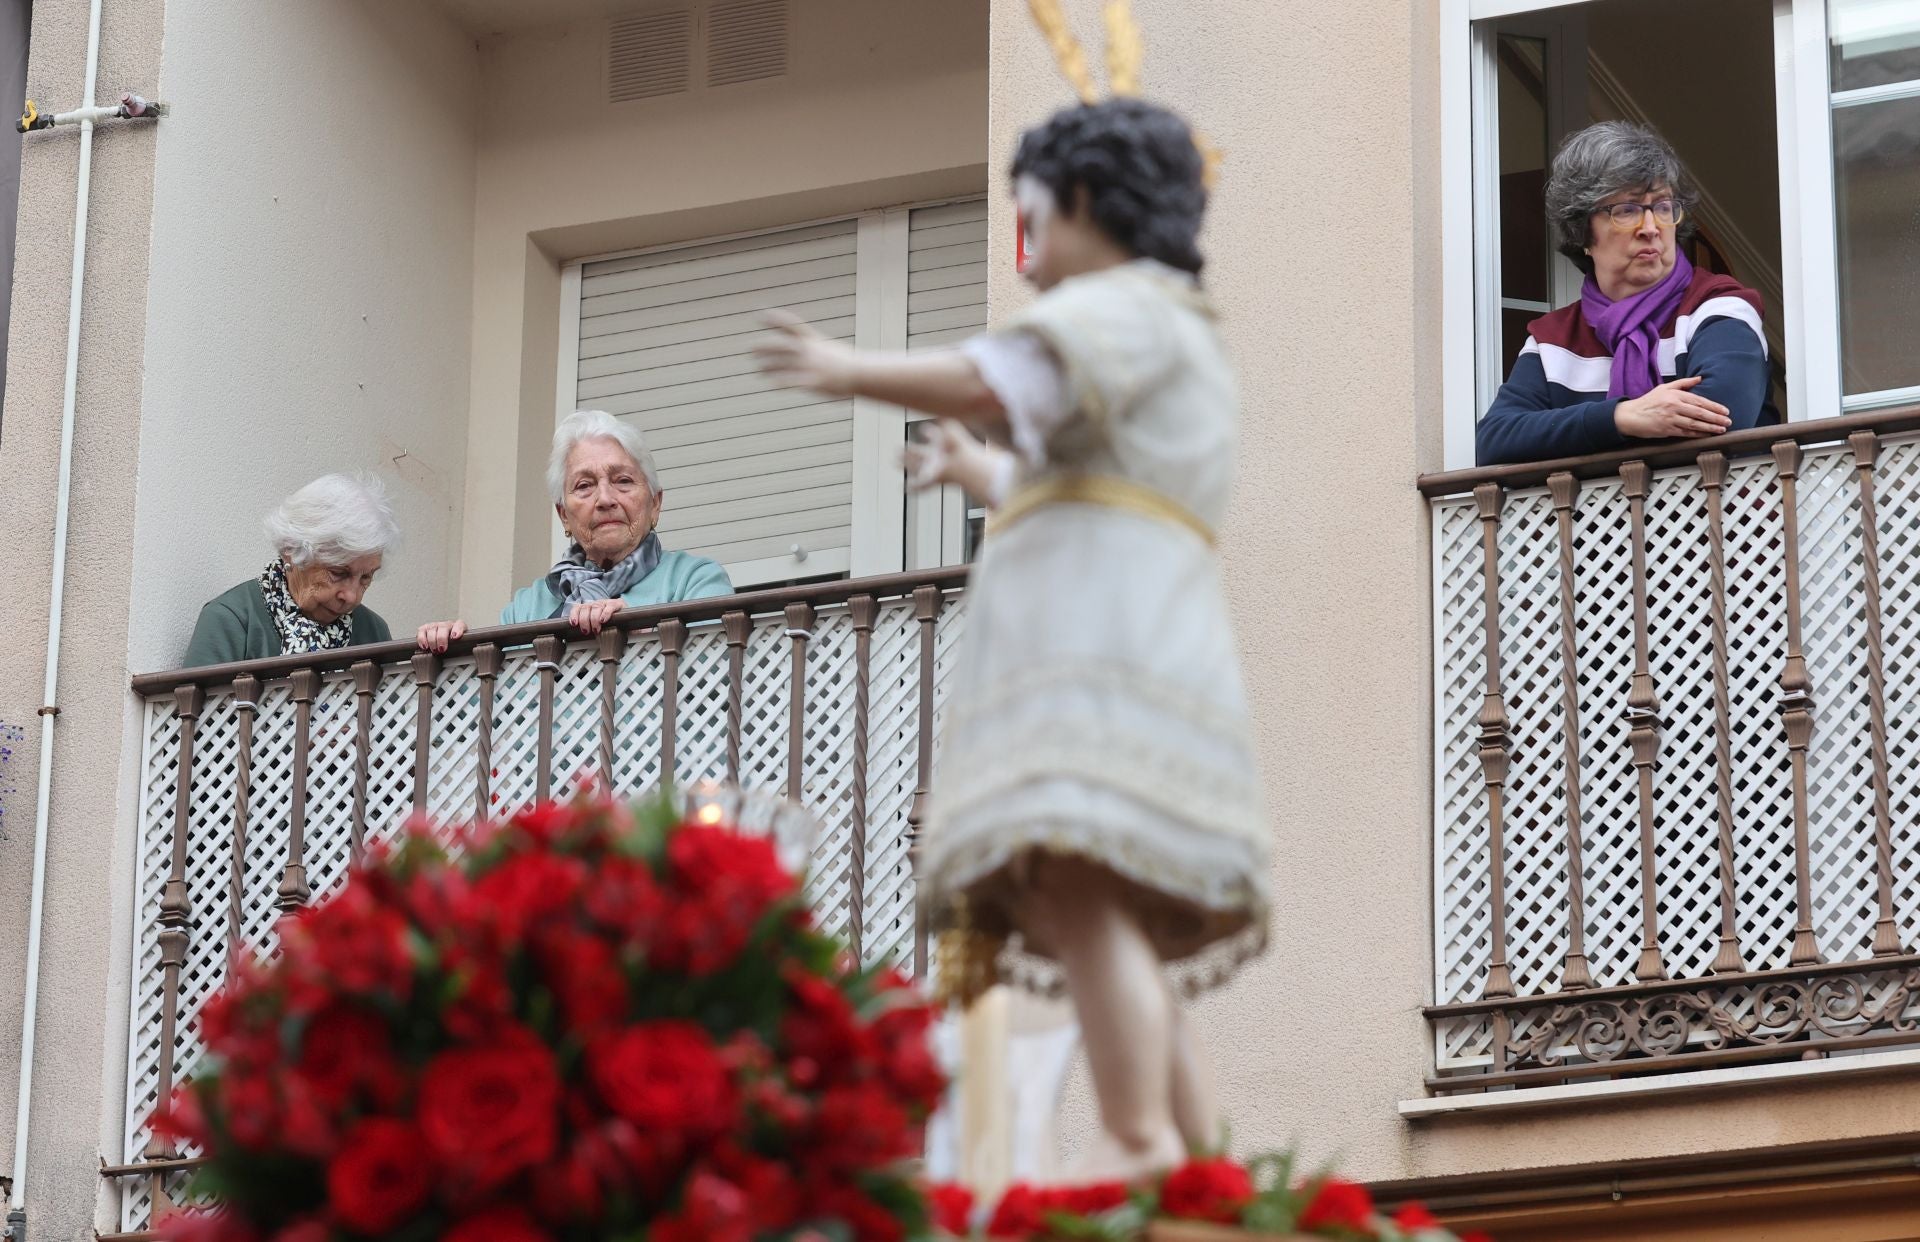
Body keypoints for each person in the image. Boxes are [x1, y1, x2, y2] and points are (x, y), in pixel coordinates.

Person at [756, 95, 1268, 1182]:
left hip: (1098, 651)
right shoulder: (1167, 324)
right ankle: (1196, 1160)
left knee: (1079, 889)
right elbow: (1068, 477)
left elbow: (1001, 379)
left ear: (1089, 203)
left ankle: (1140, 1141)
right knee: (1107, 907)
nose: (1026, 252)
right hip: (1127, 633)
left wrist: (851, 371)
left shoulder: (1128, 307)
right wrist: (978, 473)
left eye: (1033, 217)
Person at [1475, 121, 1778, 466]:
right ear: (1583, 232)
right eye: (1626, 210)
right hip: (1597, 520)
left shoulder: (1718, 306)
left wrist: (1574, 436)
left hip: (1723, 517)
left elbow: (1720, 415)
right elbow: (1495, 441)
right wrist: (1623, 418)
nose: (1650, 228)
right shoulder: (1554, 340)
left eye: (1662, 207)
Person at [415, 410, 731, 651]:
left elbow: (718, 676)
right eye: (584, 486)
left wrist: (635, 625)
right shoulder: (530, 605)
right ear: (564, 515)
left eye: (623, 481)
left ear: (655, 504)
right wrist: (450, 655)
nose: (606, 499)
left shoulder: (696, 580)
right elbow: (495, 707)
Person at [182, 473, 398, 666]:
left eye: (366, 577)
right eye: (338, 573)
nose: (352, 597)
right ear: (292, 551)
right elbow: (195, 709)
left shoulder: (373, 632)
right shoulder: (232, 620)